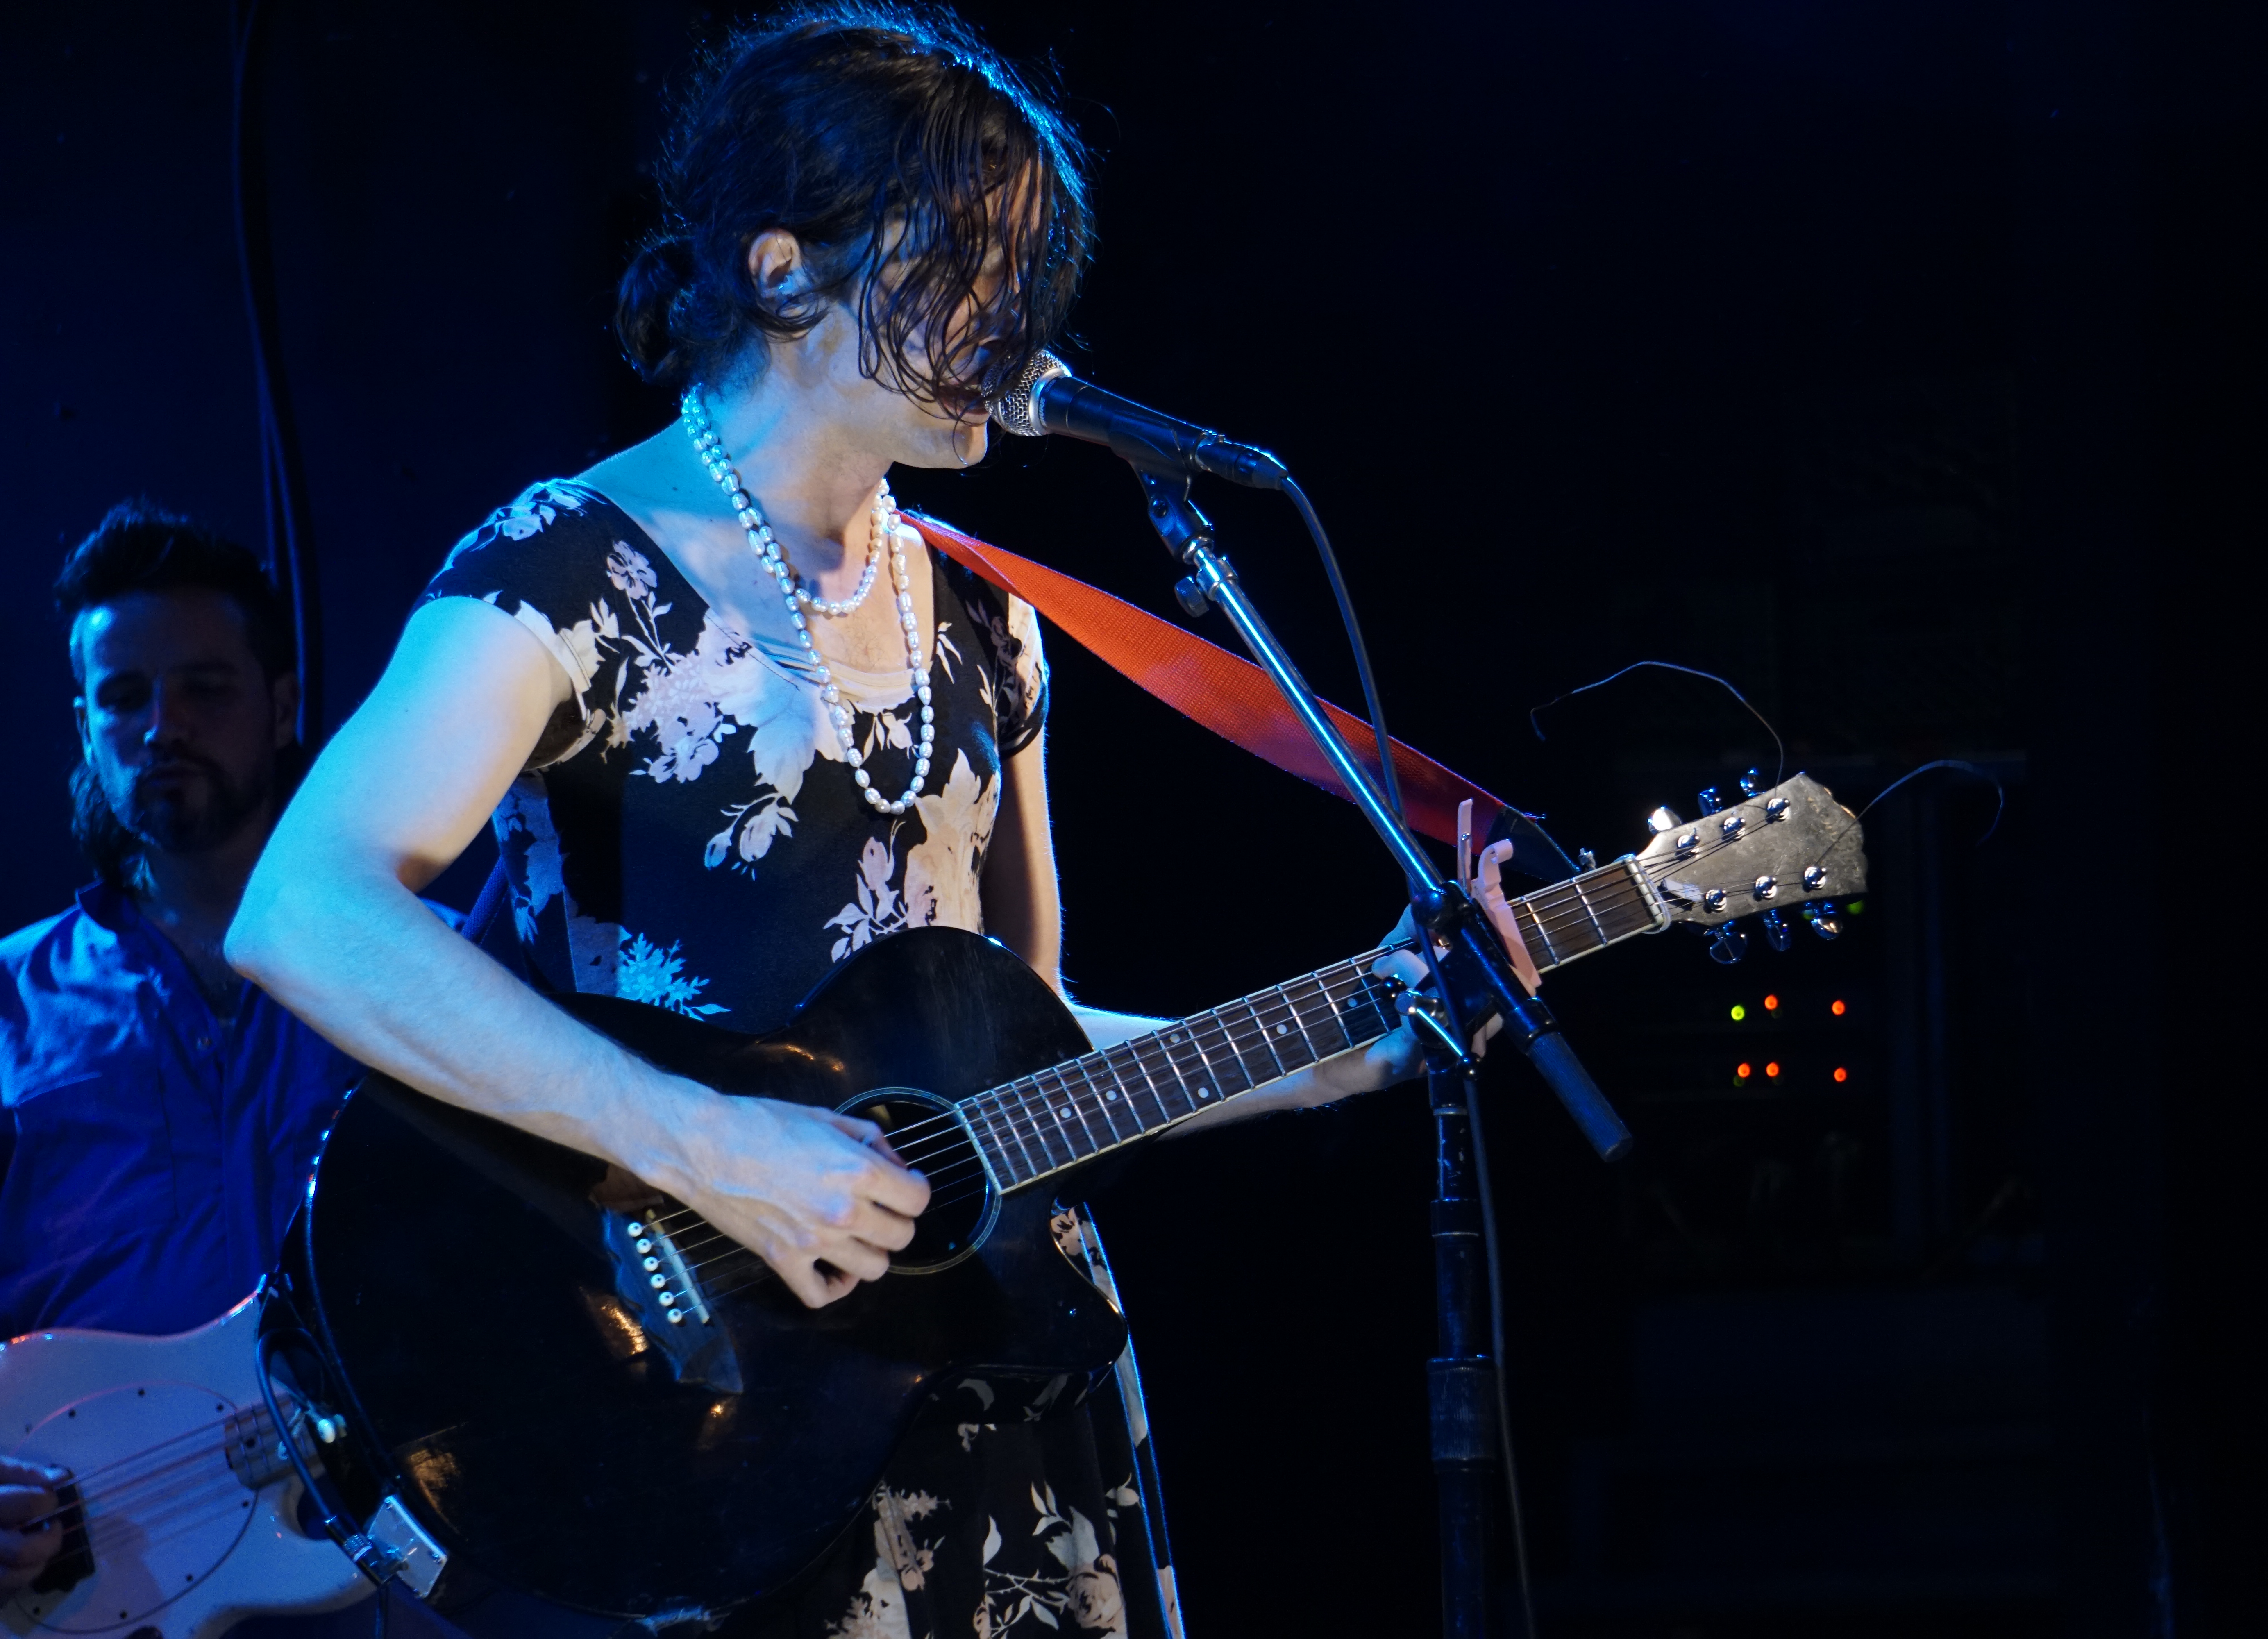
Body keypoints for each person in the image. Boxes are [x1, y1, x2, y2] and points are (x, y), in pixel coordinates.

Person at [229, 9, 1433, 1637]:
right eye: (968, 265)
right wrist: (705, 1142)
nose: (1015, 319)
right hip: (713, 1401)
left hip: (994, 1392)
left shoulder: (988, 622)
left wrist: (1348, 1044)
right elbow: (305, 908)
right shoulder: (567, 567)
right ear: (784, 270)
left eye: (1029, 275)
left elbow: (1025, 1051)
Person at [0, 503, 349, 1598]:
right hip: (92, 1584)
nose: (162, 727)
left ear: (281, 706)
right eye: (124, 697)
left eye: (204, 688)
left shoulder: (424, 974)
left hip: (393, 1557)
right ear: (84, 725)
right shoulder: (7, 1001)